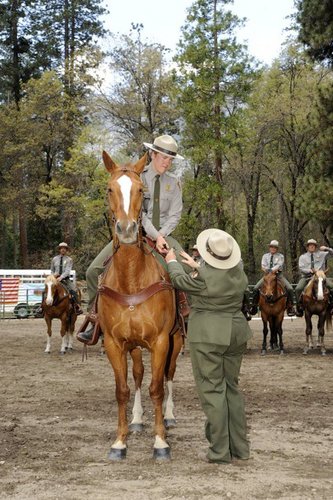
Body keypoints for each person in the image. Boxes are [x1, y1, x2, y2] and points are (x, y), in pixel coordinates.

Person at [78, 134, 186, 343]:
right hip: (133, 233)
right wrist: (153, 235)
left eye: (171, 159)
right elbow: (136, 213)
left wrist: (162, 236)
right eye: (163, 157)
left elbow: (175, 215)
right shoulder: (136, 176)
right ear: (152, 154)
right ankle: (95, 319)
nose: (167, 162)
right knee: (92, 271)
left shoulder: (174, 183)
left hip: (165, 235)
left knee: (187, 270)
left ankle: (185, 316)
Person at [165, 228, 253, 464]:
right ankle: (240, 449)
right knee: (231, 389)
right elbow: (215, 276)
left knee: (213, 390)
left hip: (208, 336)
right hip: (236, 332)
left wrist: (172, 261)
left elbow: (178, 280)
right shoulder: (239, 271)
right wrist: (195, 265)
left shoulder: (202, 278)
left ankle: (219, 452)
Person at [250, 240, 295, 316]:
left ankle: (290, 307)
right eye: (271, 247)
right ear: (269, 248)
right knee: (255, 288)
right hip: (267, 276)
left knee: (290, 288)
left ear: (277, 249)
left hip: (278, 275)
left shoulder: (280, 256)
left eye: (275, 247)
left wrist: (272, 270)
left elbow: (279, 265)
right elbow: (263, 266)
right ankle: (254, 306)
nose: (273, 248)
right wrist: (267, 270)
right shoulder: (265, 256)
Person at [38, 242, 83, 315]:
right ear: (59, 249)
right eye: (61, 248)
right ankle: (41, 307)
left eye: (64, 248)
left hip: (65, 279)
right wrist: (53, 276)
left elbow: (67, 271)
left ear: (66, 250)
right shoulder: (54, 259)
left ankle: (77, 306)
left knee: (74, 290)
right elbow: (52, 270)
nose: (63, 250)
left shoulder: (69, 260)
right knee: (45, 290)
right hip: (55, 279)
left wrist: (61, 277)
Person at [295, 239, 333, 317]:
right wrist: (310, 271)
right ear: (307, 247)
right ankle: (299, 308)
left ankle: (331, 305)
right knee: (298, 288)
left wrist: (326, 248)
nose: (312, 246)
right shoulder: (303, 257)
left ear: (315, 247)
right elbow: (301, 268)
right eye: (310, 245)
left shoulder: (322, 254)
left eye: (313, 245)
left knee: (331, 286)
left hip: (320, 277)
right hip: (307, 276)